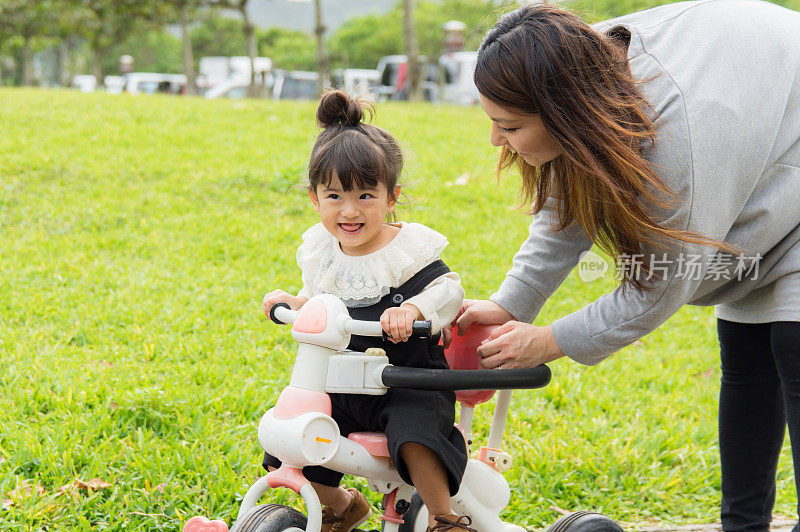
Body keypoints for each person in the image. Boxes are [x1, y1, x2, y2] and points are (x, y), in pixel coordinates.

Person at [454, 2, 800, 531]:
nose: (495, 141)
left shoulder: (679, 137)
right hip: (758, 121)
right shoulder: (570, 64)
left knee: (793, 341)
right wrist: (509, 304)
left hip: (780, 122)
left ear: (564, 116)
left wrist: (547, 340)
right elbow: (565, 207)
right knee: (749, 354)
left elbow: (660, 287)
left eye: (509, 126)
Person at [262, 90, 474, 532]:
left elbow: (449, 292)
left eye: (365, 195)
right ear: (315, 198)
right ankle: (339, 505)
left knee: (415, 436)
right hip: (341, 385)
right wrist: (293, 305)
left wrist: (414, 307)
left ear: (391, 197)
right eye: (335, 196)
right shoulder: (323, 253)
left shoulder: (406, 251)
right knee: (296, 435)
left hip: (408, 382)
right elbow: (317, 298)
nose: (350, 210)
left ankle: (443, 517)